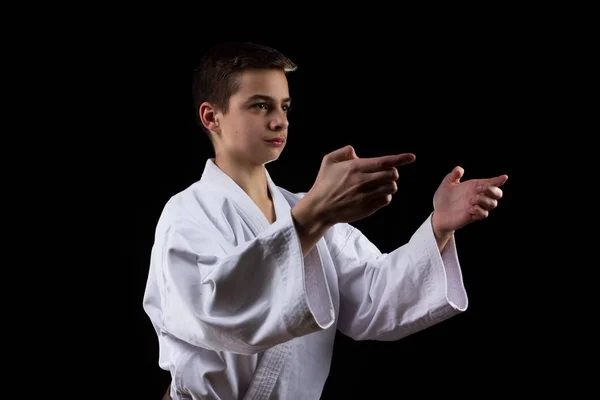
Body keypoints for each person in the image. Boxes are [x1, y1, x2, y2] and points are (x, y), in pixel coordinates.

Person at [143, 41, 508, 400]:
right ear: (211, 117)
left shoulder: (303, 209)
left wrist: (440, 226)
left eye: (285, 107)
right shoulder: (187, 213)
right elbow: (211, 312)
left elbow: (375, 299)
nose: (279, 121)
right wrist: (309, 219)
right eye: (259, 106)